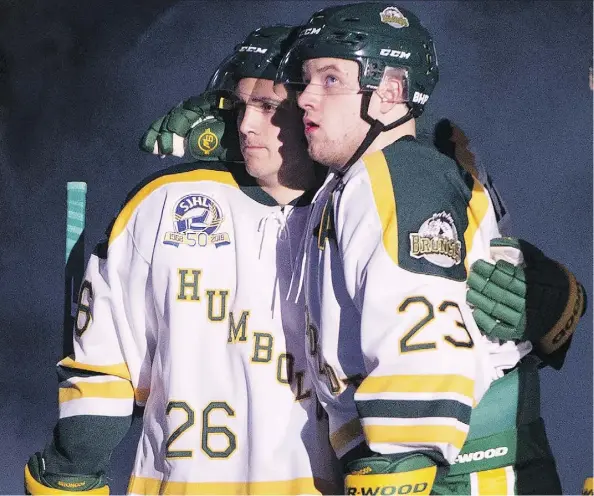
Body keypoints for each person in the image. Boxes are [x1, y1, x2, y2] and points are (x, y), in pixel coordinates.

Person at [271, 3, 586, 494]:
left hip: (451, 471)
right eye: (305, 79)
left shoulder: (398, 172)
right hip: (432, 460)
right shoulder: (355, 177)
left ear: (391, 90)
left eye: (330, 79)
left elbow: (422, 360)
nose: (305, 97)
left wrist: (394, 472)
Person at [25, 25, 342, 495]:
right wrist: (75, 461)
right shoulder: (164, 201)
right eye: (240, 105)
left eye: (269, 107)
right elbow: (105, 358)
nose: (246, 124)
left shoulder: (363, 204)